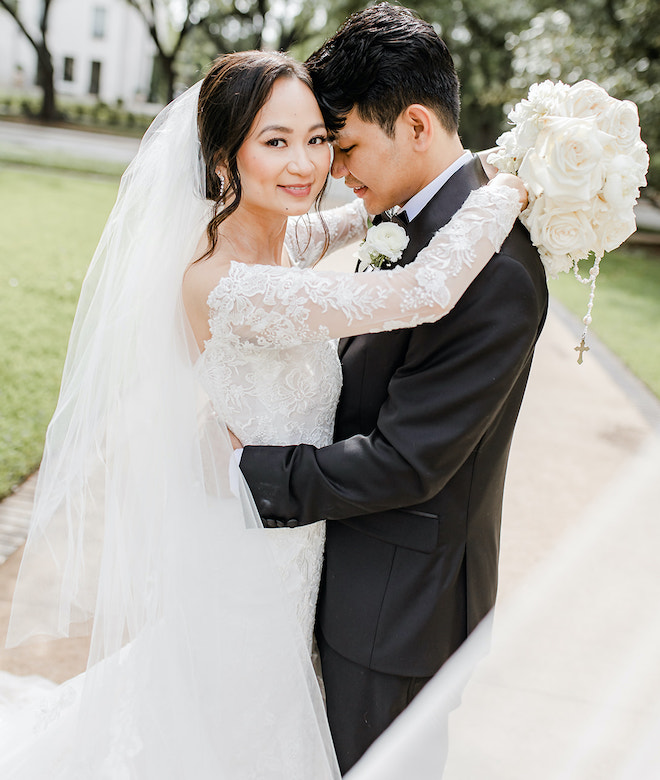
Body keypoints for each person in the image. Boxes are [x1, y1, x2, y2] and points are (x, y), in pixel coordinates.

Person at [0, 49, 526, 777]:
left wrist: (451, 175)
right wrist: (509, 191)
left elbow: (353, 223)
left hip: (290, 539)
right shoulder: (230, 285)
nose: (307, 165)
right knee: (232, 732)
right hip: (247, 555)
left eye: (318, 139)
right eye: (274, 142)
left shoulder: (282, 241)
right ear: (225, 158)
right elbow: (423, 292)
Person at [235, 4, 549, 774]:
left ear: (413, 125)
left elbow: (407, 461)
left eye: (341, 145)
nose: (334, 172)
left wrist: (247, 473)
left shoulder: (494, 270)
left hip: (397, 610)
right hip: (346, 576)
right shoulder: (414, 217)